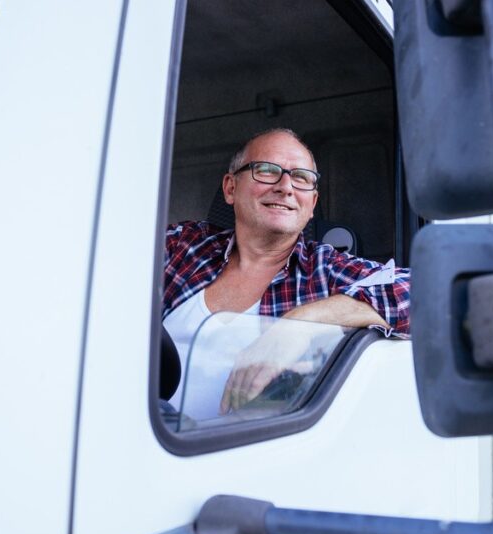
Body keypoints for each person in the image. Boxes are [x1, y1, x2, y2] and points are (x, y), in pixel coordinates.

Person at [162, 128, 410, 415]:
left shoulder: (324, 271)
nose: (286, 187)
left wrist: (299, 324)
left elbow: (432, 292)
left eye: (302, 177)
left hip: (253, 442)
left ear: (312, 203)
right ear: (230, 188)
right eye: (267, 170)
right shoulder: (185, 245)